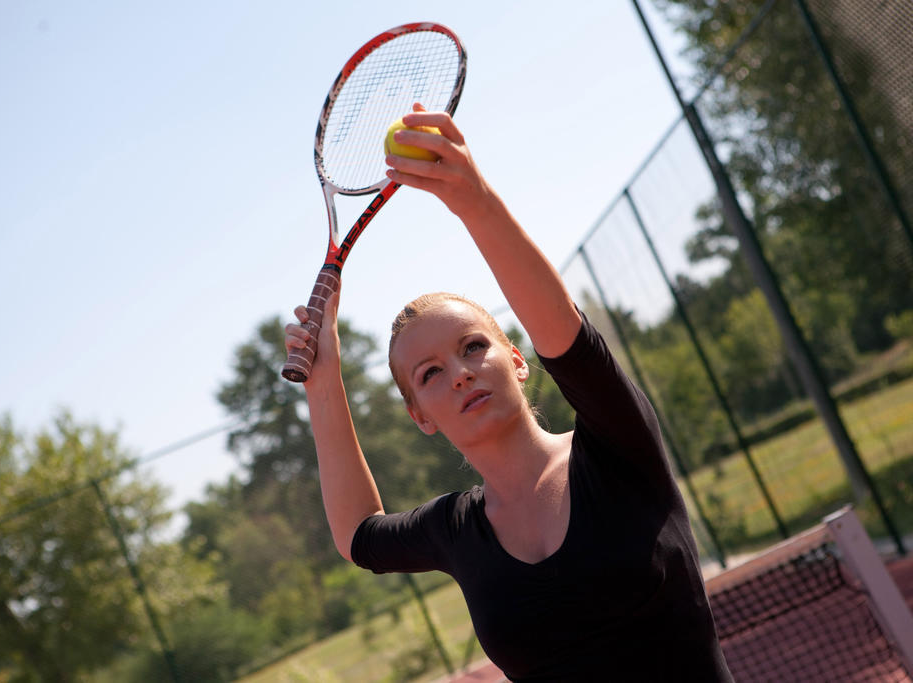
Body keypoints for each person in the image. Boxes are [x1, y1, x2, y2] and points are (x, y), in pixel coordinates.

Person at [284, 104, 732, 681]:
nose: (461, 373)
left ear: (517, 361)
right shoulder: (456, 530)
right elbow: (357, 536)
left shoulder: (616, 449)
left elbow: (570, 341)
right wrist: (324, 384)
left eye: (473, 347)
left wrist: (474, 199)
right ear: (420, 416)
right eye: (430, 374)